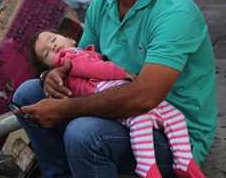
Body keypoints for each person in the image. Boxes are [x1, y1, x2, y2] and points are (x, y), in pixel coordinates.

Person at [12, 0, 216, 178]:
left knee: (83, 133)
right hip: (122, 114)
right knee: (28, 93)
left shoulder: (175, 14)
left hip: (170, 134)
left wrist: (65, 108)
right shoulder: (102, 4)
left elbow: (145, 97)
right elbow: (78, 62)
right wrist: (51, 75)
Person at [27, 31, 206, 178]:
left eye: (53, 39)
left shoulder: (81, 51)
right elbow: (93, 68)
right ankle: (149, 166)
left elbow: (142, 97)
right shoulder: (70, 55)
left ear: (72, 38)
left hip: (135, 102)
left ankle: (182, 161)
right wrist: (123, 73)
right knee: (28, 93)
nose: (53, 46)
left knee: (168, 116)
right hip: (111, 94)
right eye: (47, 53)